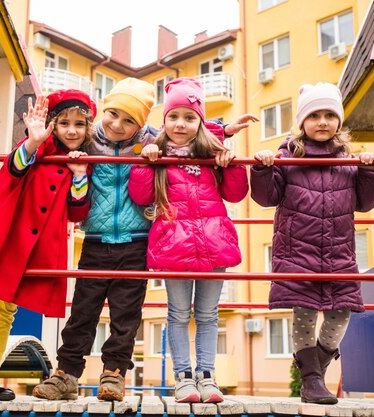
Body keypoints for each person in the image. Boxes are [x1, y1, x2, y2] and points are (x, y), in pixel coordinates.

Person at [0, 90, 96, 401]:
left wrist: (80, 175)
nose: (72, 130)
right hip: (8, 238)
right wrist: (32, 140)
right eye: (65, 123)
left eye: (79, 125)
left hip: (35, 246)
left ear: (87, 128)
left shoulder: (81, 161)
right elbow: (13, 168)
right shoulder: (38, 147)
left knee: (6, 311)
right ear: (53, 125)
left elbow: (77, 211)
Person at [250, 82, 374, 404]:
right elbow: (266, 197)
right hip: (298, 251)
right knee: (305, 315)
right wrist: (262, 168)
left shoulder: (348, 160)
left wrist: (370, 170)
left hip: (339, 252)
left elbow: (365, 204)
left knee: (341, 316)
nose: (322, 122)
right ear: (302, 121)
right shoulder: (288, 157)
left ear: (338, 121)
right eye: (314, 115)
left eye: (329, 115)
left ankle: (315, 372)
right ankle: (311, 380)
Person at [128, 77, 253, 403]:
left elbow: (235, 193)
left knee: (209, 314)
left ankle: (207, 378)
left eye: (189, 117)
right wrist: (146, 161)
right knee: (178, 313)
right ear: (164, 120)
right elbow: (141, 196)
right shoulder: (157, 151)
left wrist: (232, 164)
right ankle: (183, 377)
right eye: (173, 116)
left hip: (213, 242)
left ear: (200, 122)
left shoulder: (211, 151)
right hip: (175, 244)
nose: (180, 124)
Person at [32, 78, 157, 402]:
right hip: (96, 241)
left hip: (136, 242)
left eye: (129, 120)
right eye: (113, 113)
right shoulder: (87, 140)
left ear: (140, 124)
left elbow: (187, 135)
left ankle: (114, 374)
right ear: (104, 109)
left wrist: (223, 133)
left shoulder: (149, 142)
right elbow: (55, 142)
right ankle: (67, 375)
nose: (117, 124)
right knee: (83, 312)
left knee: (125, 315)